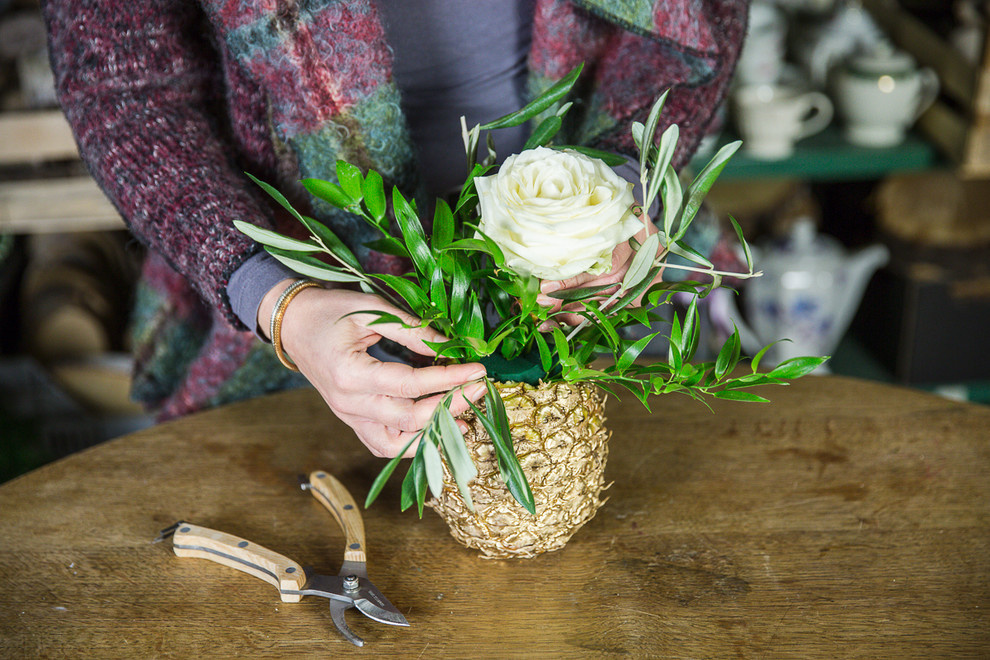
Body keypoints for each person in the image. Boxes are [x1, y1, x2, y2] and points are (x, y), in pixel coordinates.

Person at [41, 0, 748, 459]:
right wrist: (277, 302)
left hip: (603, 298)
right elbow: (124, 90)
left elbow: (702, 18)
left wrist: (617, 197)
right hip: (302, 325)